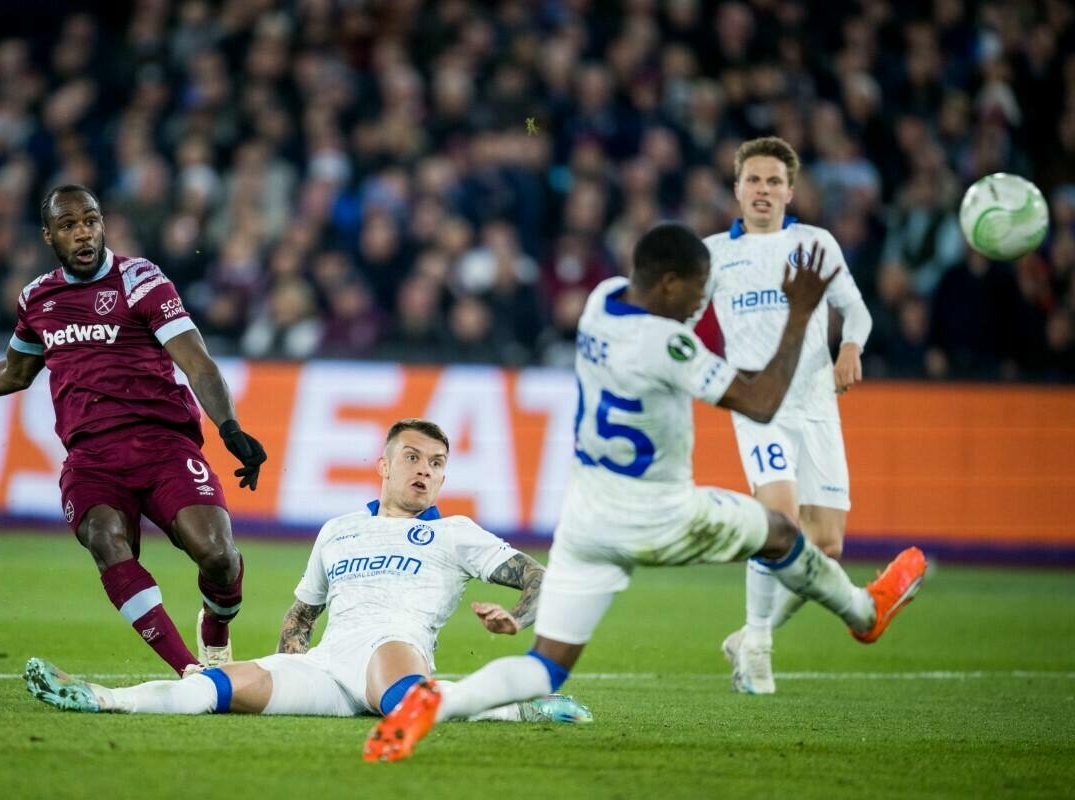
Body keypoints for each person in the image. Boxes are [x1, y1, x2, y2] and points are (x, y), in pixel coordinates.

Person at [364, 223, 925, 763]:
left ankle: (434, 703)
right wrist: (800, 312)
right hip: (661, 513)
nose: (700, 306)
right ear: (669, 285)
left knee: (546, 666)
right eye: (698, 294)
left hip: (586, 518)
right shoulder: (668, 346)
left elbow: (669, 320)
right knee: (779, 532)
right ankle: (862, 612)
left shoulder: (599, 302)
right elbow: (761, 402)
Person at [0, 184, 267, 677]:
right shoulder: (37, 298)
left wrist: (230, 428)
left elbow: (197, 362)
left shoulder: (141, 280)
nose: (83, 233)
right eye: (68, 225)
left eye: (91, 221)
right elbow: (14, 373)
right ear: (49, 235)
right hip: (92, 459)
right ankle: (191, 672)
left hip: (162, 445)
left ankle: (215, 629)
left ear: (102, 224)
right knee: (103, 538)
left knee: (219, 557)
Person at [23, 418, 592, 726]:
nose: (424, 471)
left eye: (436, 463)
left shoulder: (456, 533)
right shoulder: (338, 530)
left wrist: (517, 619)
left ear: (444, 477)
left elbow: (539, 577)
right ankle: (102, 698)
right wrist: (290, 666)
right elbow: (302, 615)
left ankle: (519, 706)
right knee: (214, 688)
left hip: (391, 646)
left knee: (404, 703)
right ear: (384, 465)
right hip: (328, 666)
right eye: (413, 457)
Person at [700, 137, 875, 694]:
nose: (763, 190)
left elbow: (857, 311)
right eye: (753, 180)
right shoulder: (713, 254)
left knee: (825, 548)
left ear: (790, 191)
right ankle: (759, 648)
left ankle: (749, 635)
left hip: (817, 404)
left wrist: (851, 347)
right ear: (736, 189)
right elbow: (682, 320)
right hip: (758, 407)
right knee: (779, 522)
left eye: (774, 181)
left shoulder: (815, 244)